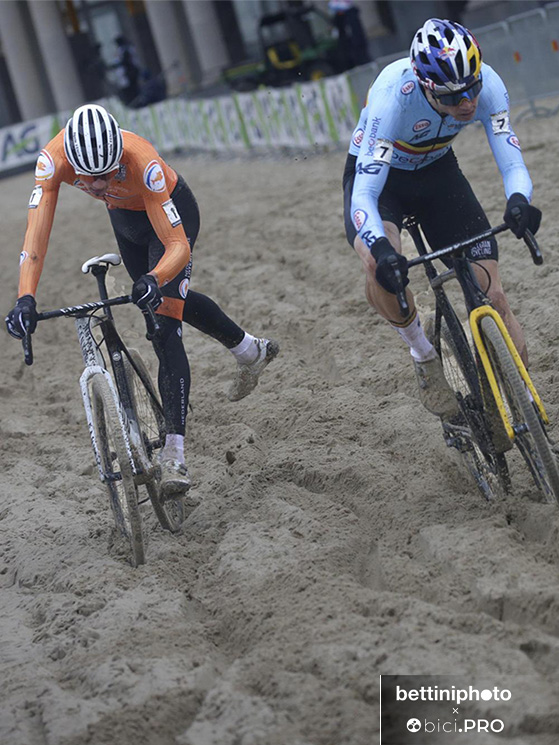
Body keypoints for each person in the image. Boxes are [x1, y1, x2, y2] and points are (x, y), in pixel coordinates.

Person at [5, 104, 279, 500]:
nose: (98, 185)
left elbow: (177, 245)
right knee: (166, 301)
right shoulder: (52, 161)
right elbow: (36, 236)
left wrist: (155, 277)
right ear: (73, 164)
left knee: (165, 321)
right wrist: (25, 297)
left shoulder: (142, 160)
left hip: (170, 212)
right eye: (89, 179)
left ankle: (175, 456)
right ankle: (250, 350)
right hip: (125, 221)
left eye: (106, 174)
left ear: (118, 154)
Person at [343, 18, 541, 418]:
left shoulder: (489, 84)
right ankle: (423, 352)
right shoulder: (392, 97)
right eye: (453, 97)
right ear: (425, 86)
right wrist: (381, 248)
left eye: (472, 89)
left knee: (493, 296)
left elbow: (511, 161)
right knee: (379, 265)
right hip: (383, 182)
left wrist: (519, 200)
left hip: (437, 172)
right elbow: (364, 194)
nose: (467, 103)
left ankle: (525, 402)